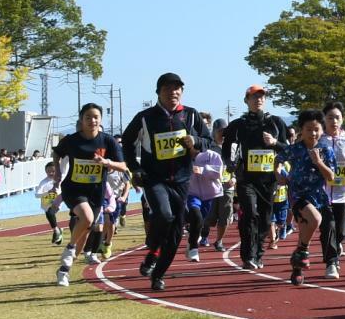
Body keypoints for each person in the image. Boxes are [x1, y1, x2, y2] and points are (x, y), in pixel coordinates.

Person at [119, 74, 214, 291]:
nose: (174, 92)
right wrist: (136, 168)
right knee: (164, 214)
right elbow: (127, 144)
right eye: (168, 88)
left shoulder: (190, 115)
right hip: (154, 179)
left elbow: (208, 141)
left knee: (175, 232)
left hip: (181, 181)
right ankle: (153, 247)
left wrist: (196, 141)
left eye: (178, 88)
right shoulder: (146, 117)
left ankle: (158, 274)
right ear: (158, 92)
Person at [51, 104, 129, 286]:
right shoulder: (72, 140)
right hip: (74, 189)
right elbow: (56, 152)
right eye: (88, 117)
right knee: (86, 219)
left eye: (96, 117)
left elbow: (123, 166)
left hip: (95, 192)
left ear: (100, 120)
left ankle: (64, 270)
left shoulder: (108, 141)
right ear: (81, 120)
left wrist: (106, 162)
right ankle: (69, 248)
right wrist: (56, 172)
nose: (92, 120)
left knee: (84, 233)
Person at [281, 112, 333, 286]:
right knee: (315, 219)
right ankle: (303, 251)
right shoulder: (294, 148)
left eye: (316, 129)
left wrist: (318, 161)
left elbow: (331, 176)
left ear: (322, 130)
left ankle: (297, 266)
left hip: (318, 194)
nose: (312, 133)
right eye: (308, 129)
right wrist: (278, 173)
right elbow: (278, 160)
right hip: (297, 193)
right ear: (301, 131)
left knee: (306, 227)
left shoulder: (326, 150)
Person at [317, 104, 345, 279]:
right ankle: (331, 263)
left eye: (337, 117)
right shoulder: (319, 140)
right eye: (330, 117)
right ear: (325, 120)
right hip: (322, 193)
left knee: (341, 230)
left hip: (344, 193)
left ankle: (336, 245)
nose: (333, 121)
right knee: (327, 227)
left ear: (342, 119)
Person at [185, 134, 226, 262]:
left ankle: (192, 240)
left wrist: (202, 170)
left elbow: (218, 173)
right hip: (191, 193)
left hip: (209, 194)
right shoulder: (182, 157)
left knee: (200, 222)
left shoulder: (211, 155)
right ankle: (193, 248)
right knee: (196, 216)